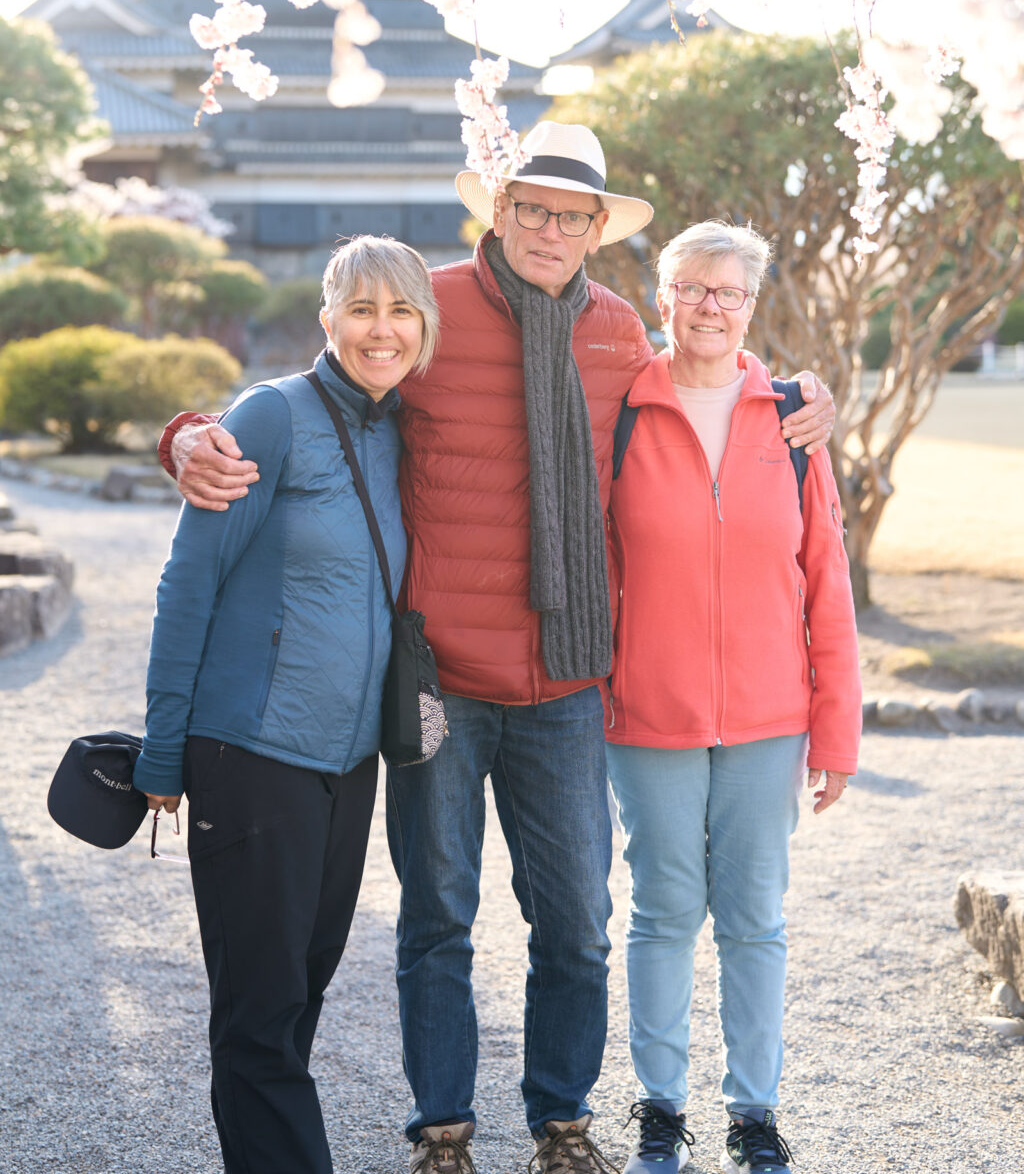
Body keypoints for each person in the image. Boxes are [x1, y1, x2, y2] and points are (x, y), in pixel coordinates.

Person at [162, 123, 836, 1174]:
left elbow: (711, 383)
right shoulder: (424, 307)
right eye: (531, 209)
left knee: (576, 923)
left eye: (572, 215)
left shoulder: (618, 335)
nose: (550, 230)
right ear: (498, 212)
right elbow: (324, 389)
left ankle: (561, 1121)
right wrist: (188, 434)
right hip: (435, 681)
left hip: (566, 678)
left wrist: (799, 397)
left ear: (598, 230)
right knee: (438, 916)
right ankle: (442, 1128)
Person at [133, 235, 440, 1174]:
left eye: (400, 313)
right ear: (327, 319)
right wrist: (161, 752)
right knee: (261, 1013)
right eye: (361, 309)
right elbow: (189, 585)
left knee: (300, 988)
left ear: (424, 329)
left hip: (349, 769)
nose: (380, 331)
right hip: (249, 755)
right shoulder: (271, 416)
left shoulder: (403, 427)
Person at [605, 221, 861, 1174]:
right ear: (662, 295)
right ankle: (660, 1113)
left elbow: (825, 578)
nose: (711, 307)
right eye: (694, 289)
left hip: (769, 718)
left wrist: (835, 730)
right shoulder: (622, 410)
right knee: (664, 911)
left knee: (755, 918)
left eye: (731, 293)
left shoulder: (792, 422)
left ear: (752, 306)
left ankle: (755, 1114)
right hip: (649, 716)